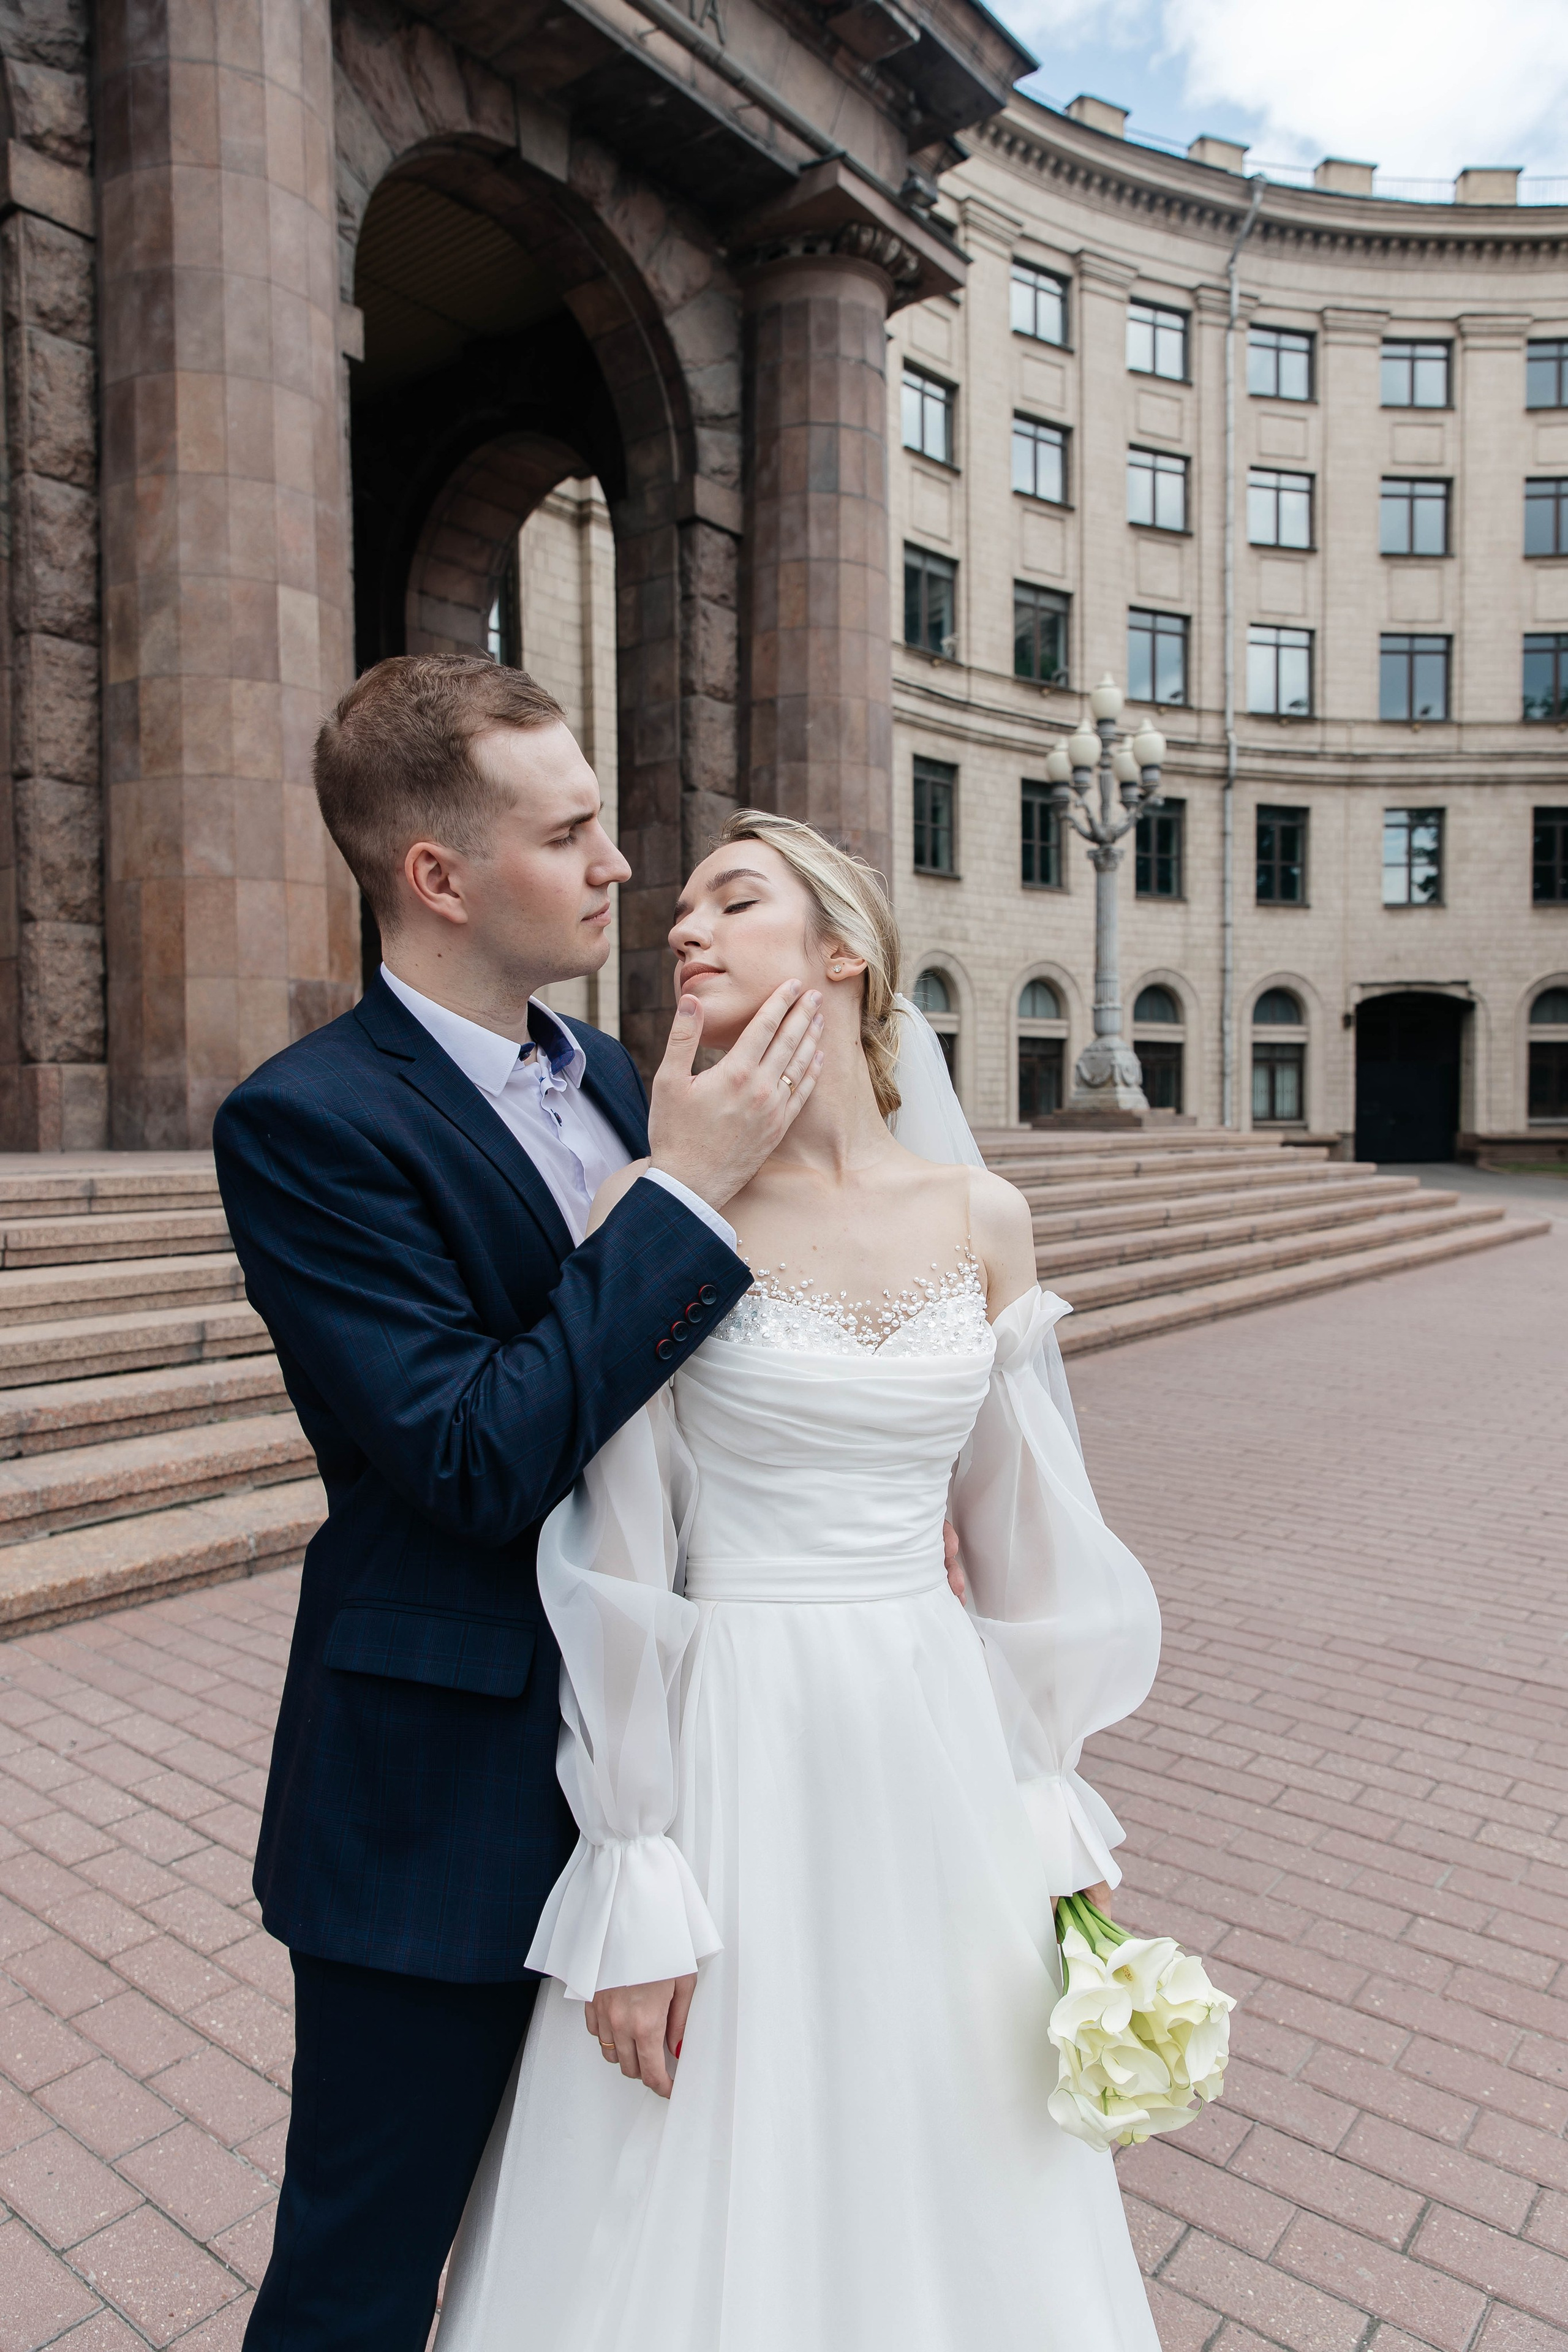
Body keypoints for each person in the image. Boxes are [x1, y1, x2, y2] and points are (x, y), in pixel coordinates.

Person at [435, 812, 1165, 2352]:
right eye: (678, 907)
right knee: (704, 2161)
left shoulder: (984, 1221)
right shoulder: (649, 1212)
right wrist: (632, 1878)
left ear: (840, 952)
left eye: (731, 899)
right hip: (728, 1747)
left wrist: (1047, 1801)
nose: (680, 927)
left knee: (951, 2144)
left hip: (932, 1744)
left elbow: (1027, 1544)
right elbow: (616, 1561)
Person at [213, 657, 831, 2352]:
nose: (621, 867)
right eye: (570, 835)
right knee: (364, 2269)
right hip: (441, 1807)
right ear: (439, 877)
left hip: (674, 1782)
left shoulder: (629, 1082)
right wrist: (690, 1194)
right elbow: (476, 1458)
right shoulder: (308, 1126)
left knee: (595, 2256)